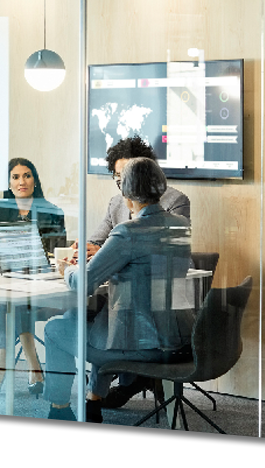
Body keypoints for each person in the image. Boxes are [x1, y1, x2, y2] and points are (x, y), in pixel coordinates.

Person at [32, 157, 194, 445]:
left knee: (55, 330)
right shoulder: (180, 225)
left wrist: (65, 269)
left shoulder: (127, 233)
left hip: (137, 345)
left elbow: (84, 282)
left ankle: (58, 411)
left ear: (126, 193)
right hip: (177, 340)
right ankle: (91, 407)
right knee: (88, 320)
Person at [72, 135, 191, 407]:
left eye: (127, 174)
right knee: (102, 311)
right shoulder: (116, 203)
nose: (122, 182)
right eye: (117, 176)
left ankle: (94, 399)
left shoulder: (175, 202)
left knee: (80, 323)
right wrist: (91, 249)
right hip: (128, 300)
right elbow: (98, 241)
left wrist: (99, 258)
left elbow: (157, 249)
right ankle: (102, 394)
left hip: (154, 308)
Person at [0, 158, 66, 394]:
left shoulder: (51, 211)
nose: (22, 181)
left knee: (14, 299)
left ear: (35, 179)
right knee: (14, 297)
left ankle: (2, 360)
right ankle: (35, 367)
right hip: (10, 283)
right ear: (9, 182)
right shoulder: (1, 208)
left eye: (27, 175)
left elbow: (57, 252)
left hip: (42, 288)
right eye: (16, 177)